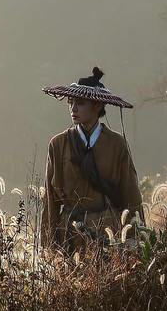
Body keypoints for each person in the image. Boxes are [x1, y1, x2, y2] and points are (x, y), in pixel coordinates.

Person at [41, 67, 143, 255]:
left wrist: (134, 238)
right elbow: (50, 199)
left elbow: (130, 193)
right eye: (71, 103)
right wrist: (50, 244)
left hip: (107, 228)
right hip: (70, 231)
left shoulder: (116, 144)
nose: (73, 109)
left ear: (97, 106)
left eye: (80, 103)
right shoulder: (58, 144)